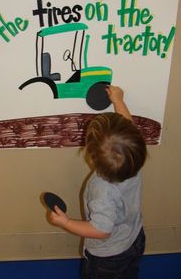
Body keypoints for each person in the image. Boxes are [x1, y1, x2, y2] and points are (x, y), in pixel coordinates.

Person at [48, 85, 147, 279]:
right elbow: (129, 128)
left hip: (108, 257)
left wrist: (66, 222)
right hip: (135, 237)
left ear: (91, 158)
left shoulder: (102, 189)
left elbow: (101, 230)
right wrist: (118, 100)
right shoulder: (134, 156)